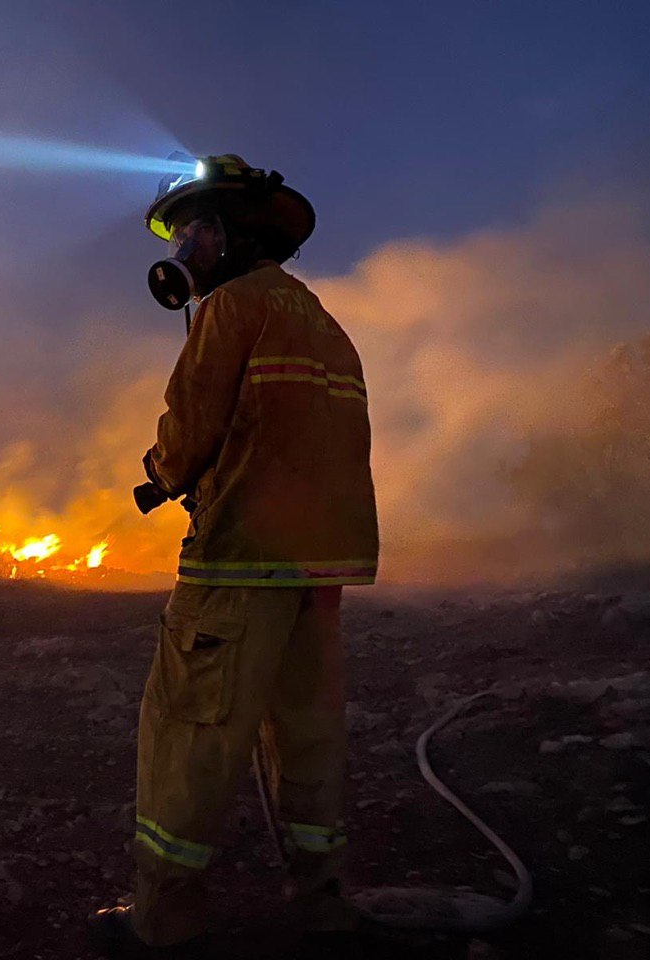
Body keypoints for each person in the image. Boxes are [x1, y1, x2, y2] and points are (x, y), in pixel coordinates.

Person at [88, 156, 380, 959]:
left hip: (239, 562)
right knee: (308, 735)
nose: (182, 244)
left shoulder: (232, 309)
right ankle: (321, 906)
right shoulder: (323, 322)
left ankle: (164, 920)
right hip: (319, 568)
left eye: (191, 228)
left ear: (224, 233)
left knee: (190, 733)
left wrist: (161, 473)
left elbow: (190, 428)